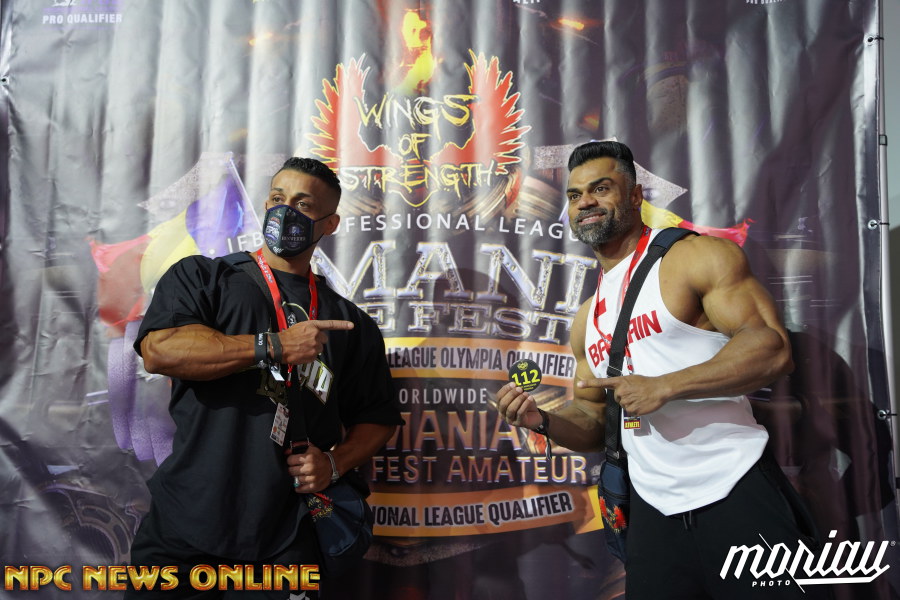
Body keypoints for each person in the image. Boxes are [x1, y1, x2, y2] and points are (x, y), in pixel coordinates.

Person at [496, 141, 827, 599]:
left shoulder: (694, 258)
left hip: (732, 486)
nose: (585, 202)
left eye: (601, 188)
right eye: (574, 195)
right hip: (651, 510)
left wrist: (667, 386)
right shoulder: (587, 317)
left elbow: (771, 348)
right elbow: (593, 420)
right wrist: (543, 420)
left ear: (635, 196)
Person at [126, 157, 402, 598]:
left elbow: (378, 418)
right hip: (185, 524)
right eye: (277, 198)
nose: (285, 211)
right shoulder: (204, 277)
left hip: (287, 533)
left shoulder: (349, 322)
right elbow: (160, 351)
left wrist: (334, 464)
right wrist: (272, 346)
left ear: (330, 224)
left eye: (303, 204)